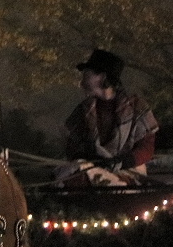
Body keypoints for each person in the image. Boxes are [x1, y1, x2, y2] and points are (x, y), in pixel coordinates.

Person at [62, 49, 159, 184]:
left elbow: (147, 147)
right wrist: (86, 157)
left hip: (129, 171)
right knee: (70, 173)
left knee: (85, 176)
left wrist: (122, 162)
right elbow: (72, 146)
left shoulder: (136, 107)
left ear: (103, 77)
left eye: (87, 73)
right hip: (92, 168)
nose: (82, 78)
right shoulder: (83, 111)